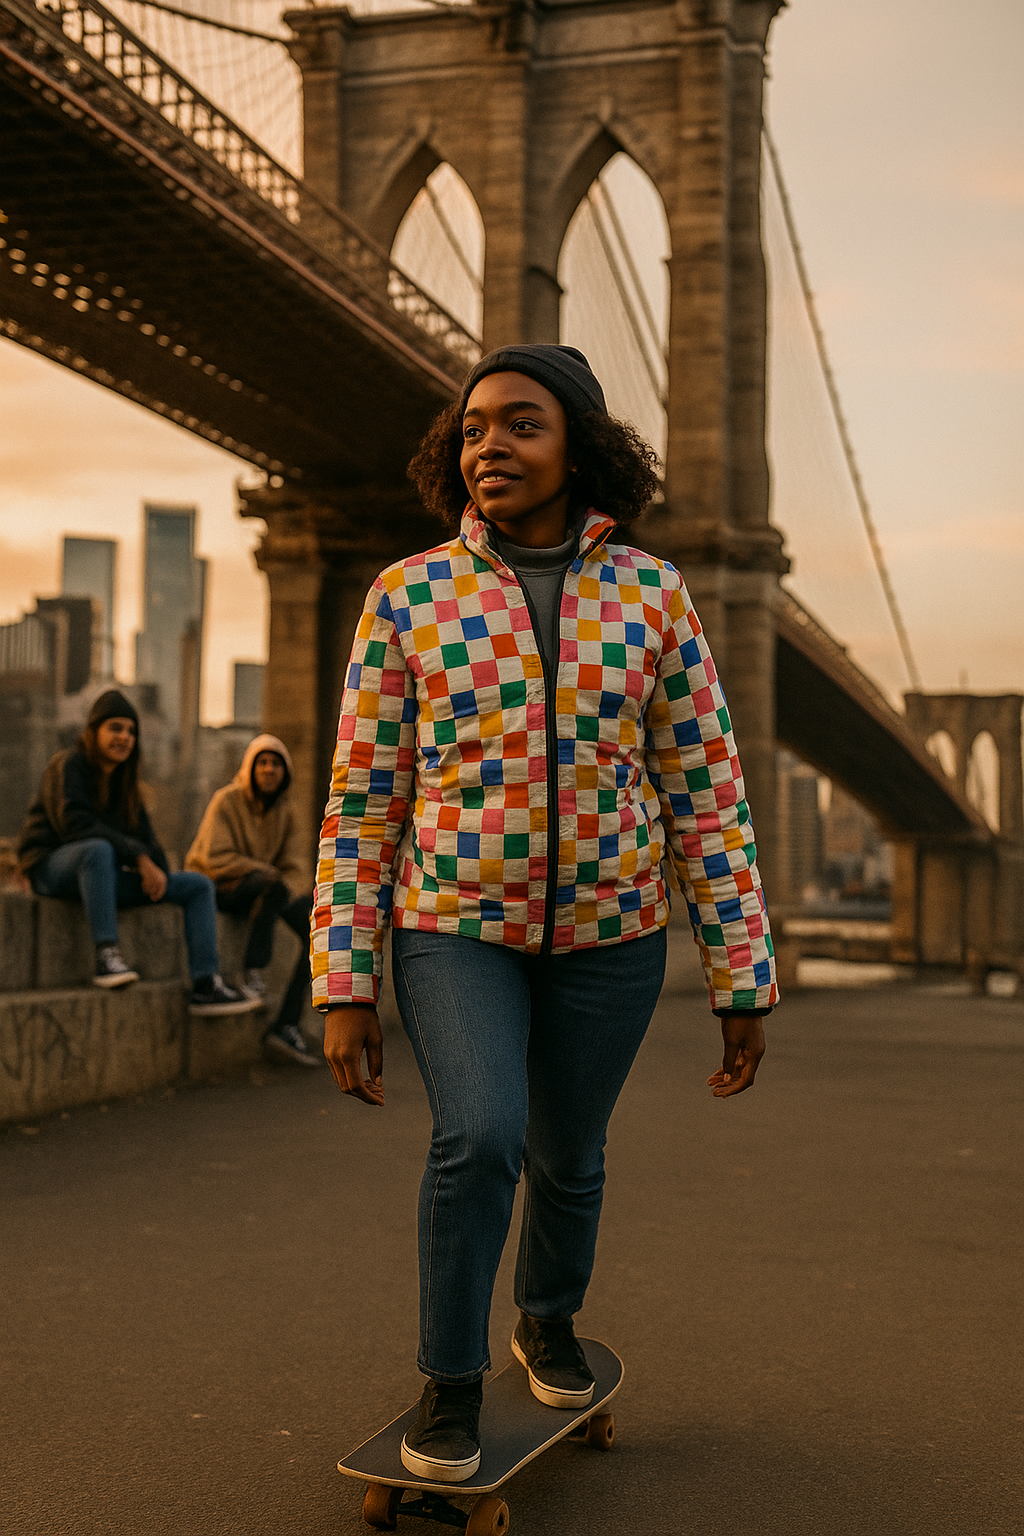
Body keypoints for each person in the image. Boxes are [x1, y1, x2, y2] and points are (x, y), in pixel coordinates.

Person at [312, 344, 777, 1482]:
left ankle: (548, 1318)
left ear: (580, 447)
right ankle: (450, 1383)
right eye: (473, 429)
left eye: (522, 424)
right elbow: (364, 799)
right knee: (478, 1138)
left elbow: (706, 794)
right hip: (452, 925)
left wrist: (741, 977)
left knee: (569, 1155)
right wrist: (343, 980)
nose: (491, 447)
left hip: (612, 936)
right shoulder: (408, 595)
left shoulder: (653, 596)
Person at [17, 688, 252, 1015]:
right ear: (94, 731)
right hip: (52, 869)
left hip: (103, 880)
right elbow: (74, 825)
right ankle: (107, 956)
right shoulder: (68, 765)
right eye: (115, 728)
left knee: (197, 885)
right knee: (97, 849)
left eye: (130, 731)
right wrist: (138, 858)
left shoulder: (125, 784)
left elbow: (149, 842)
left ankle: (206, 984)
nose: (124, 737)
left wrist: (156, 871)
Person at [186, 734, 319, 1067]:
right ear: (250, 768)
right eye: (262, 763)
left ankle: (286, 1025)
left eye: (275, 764)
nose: (269, 769)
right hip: (218, 886)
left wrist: (276, 880)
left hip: (266, 891)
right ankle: (252, 972)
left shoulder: (287, 812)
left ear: (285, 772)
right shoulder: (226, 800)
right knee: (271, 886)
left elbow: (295, 868)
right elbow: (213, 857)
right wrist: (264, 871)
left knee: (317, 928)